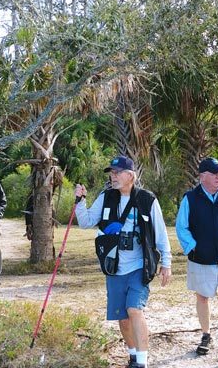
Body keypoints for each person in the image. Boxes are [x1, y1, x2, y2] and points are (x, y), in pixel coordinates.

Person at [74, 156, 172, 368]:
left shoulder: (147, 199)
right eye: (112, 172)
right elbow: (86, 222)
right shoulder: (106, 197)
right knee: (123, 317)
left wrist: (167, 262)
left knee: (134, 310)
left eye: (118, 172)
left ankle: (142, 362)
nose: (113, 176)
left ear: (131, 175)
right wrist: (80, 201)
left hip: (139, 265)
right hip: (114, 266)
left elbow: (161, 233)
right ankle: (133, 354)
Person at [175, 157, 218, 359]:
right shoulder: (190, 198)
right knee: (203, 298)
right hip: (202, 260)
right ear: (202, 176)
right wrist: (193, 248)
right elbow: (181, 227)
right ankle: (206, 335)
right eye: (214, 174)